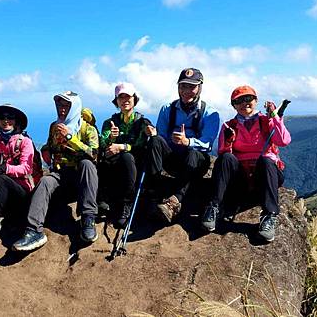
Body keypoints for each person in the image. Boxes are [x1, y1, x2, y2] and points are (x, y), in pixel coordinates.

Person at [201, 85, 291, 242]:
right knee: (226, 158)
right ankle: (214, 207)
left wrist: (275, 117)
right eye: (239, 101)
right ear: (233, 105)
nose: (244, 103)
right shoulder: (230, 126)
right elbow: (224, 155)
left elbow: (283, 141)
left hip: (265, 176)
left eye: (248, 99)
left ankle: (269, 215)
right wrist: (229, 141)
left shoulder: (266, 121)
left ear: (256, 101)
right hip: (241, 179)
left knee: (266, 160)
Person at [12, 91, 99, 251]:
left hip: (81, 179)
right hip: (61, 176)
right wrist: (46, 149)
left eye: (66, 105)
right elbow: (50, 146)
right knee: (46, 181)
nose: (62, 109)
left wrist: (70, 138)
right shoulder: (55, 126)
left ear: (75, 107)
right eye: (59, 105)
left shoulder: (88, 129)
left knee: (87, 164)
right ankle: (33, 231)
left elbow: (94, 154)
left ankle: (88, 219)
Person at [145, 68, 220, 224]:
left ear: (200, 88)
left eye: (191, 87)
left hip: (195, 164)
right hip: (173, 160)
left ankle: (174, 202)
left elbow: (207, 145)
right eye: (183, 86)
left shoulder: (210, 113)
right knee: (155, 140)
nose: (186, 91)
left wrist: (188, 142)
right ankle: (154, 195)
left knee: (193, 153)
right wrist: (156, 136)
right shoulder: (167, 109)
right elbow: (161, 138)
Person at [0, 104, 36, 248]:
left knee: (1, 178)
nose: (6, 121)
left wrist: (5, 168)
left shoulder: (25, 141)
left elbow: (27, 168)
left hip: (21, 191)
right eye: (2, 118)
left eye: (10, 118)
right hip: (0, 190)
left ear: (16, 121)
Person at [99, 83, 152, 228]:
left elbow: (140, 144)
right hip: (115, 165)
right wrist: (111, 139)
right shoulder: (109, 123)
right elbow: (102, 143)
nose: (125, 100)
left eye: (128, 97)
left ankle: (126, 204)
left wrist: (121, 147)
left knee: (127, 157)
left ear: (135, 99)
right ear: (116, 101)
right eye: (120, 97)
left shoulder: (142, 122)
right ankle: (104, 199)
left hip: (134, 163)